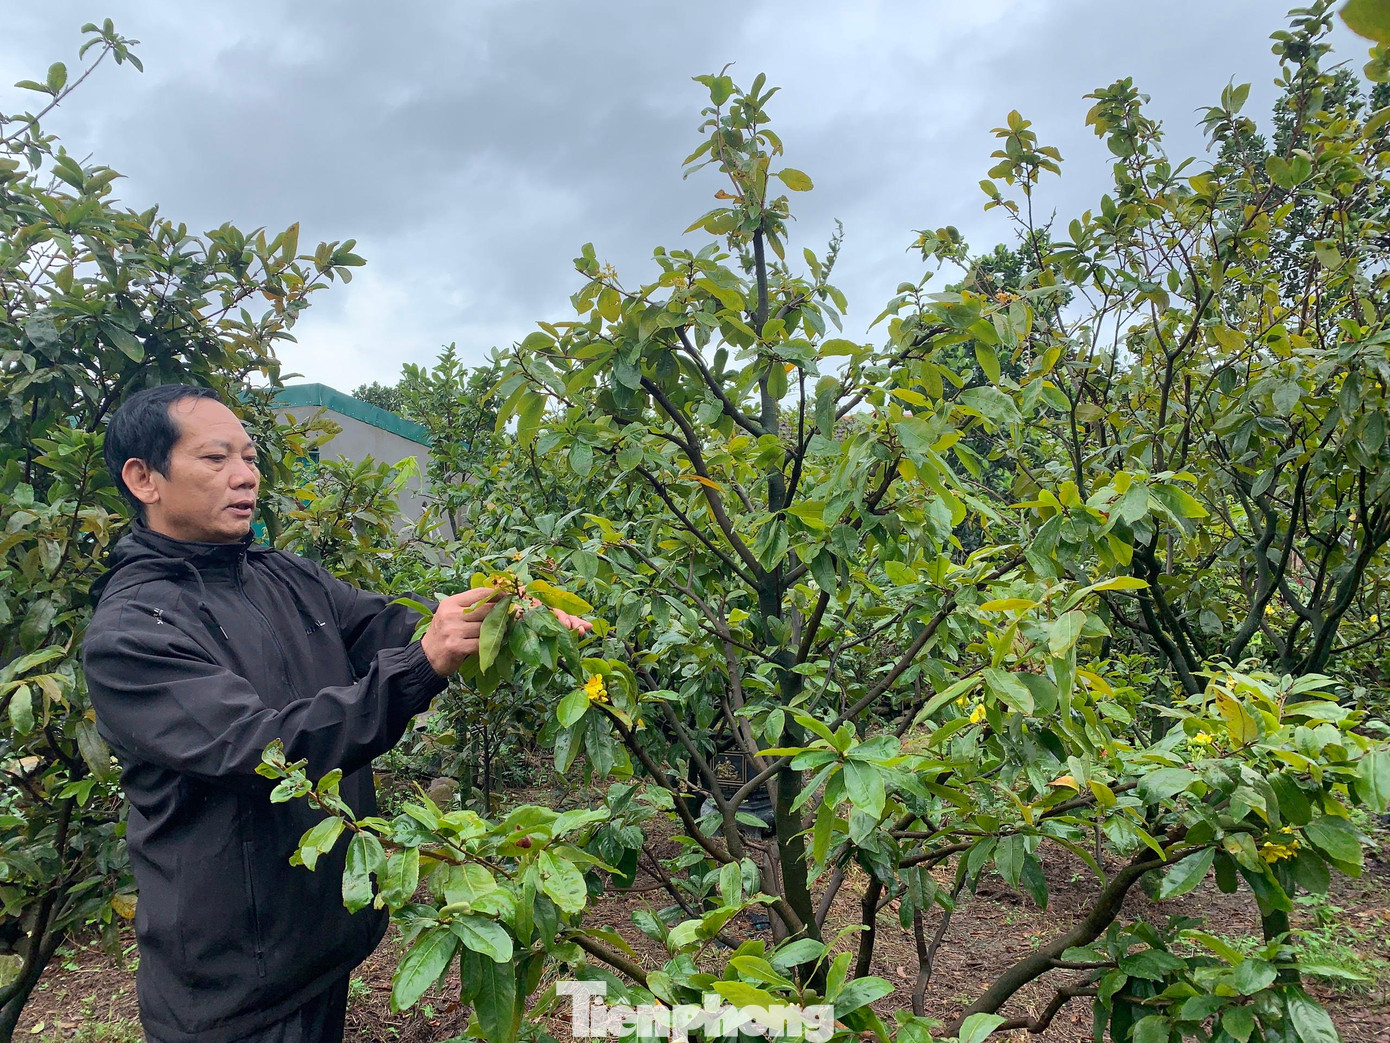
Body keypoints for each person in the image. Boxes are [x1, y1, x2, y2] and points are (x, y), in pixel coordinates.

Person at [81, 385, 589, 1043]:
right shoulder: (132, 631)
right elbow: (265, 750)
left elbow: (383, 628)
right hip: (232, 992)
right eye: (216, 458)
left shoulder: (282, 575)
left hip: (316, 954)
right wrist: (423, 662)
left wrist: (497, 621)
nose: (246, 475)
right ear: (143, 478)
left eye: (250, 456)